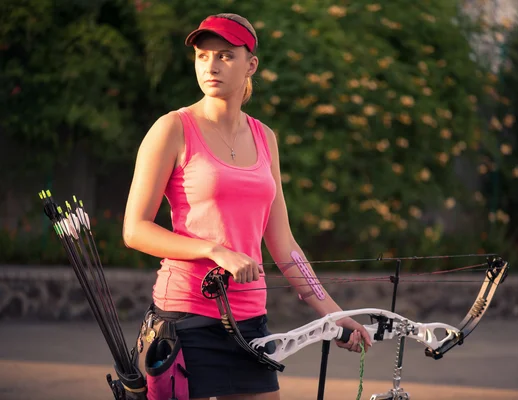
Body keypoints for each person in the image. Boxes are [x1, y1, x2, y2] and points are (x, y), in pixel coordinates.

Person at [122, 12, 372, 400]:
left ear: (250, 64)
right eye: (203, 56)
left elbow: (284, 242)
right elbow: (135, 230)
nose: (211, 66)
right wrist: (215, 250)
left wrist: (334, 315)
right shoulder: (172, 128)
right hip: (185, 321)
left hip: (251, 323)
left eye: (225, 55)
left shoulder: (264, 137)